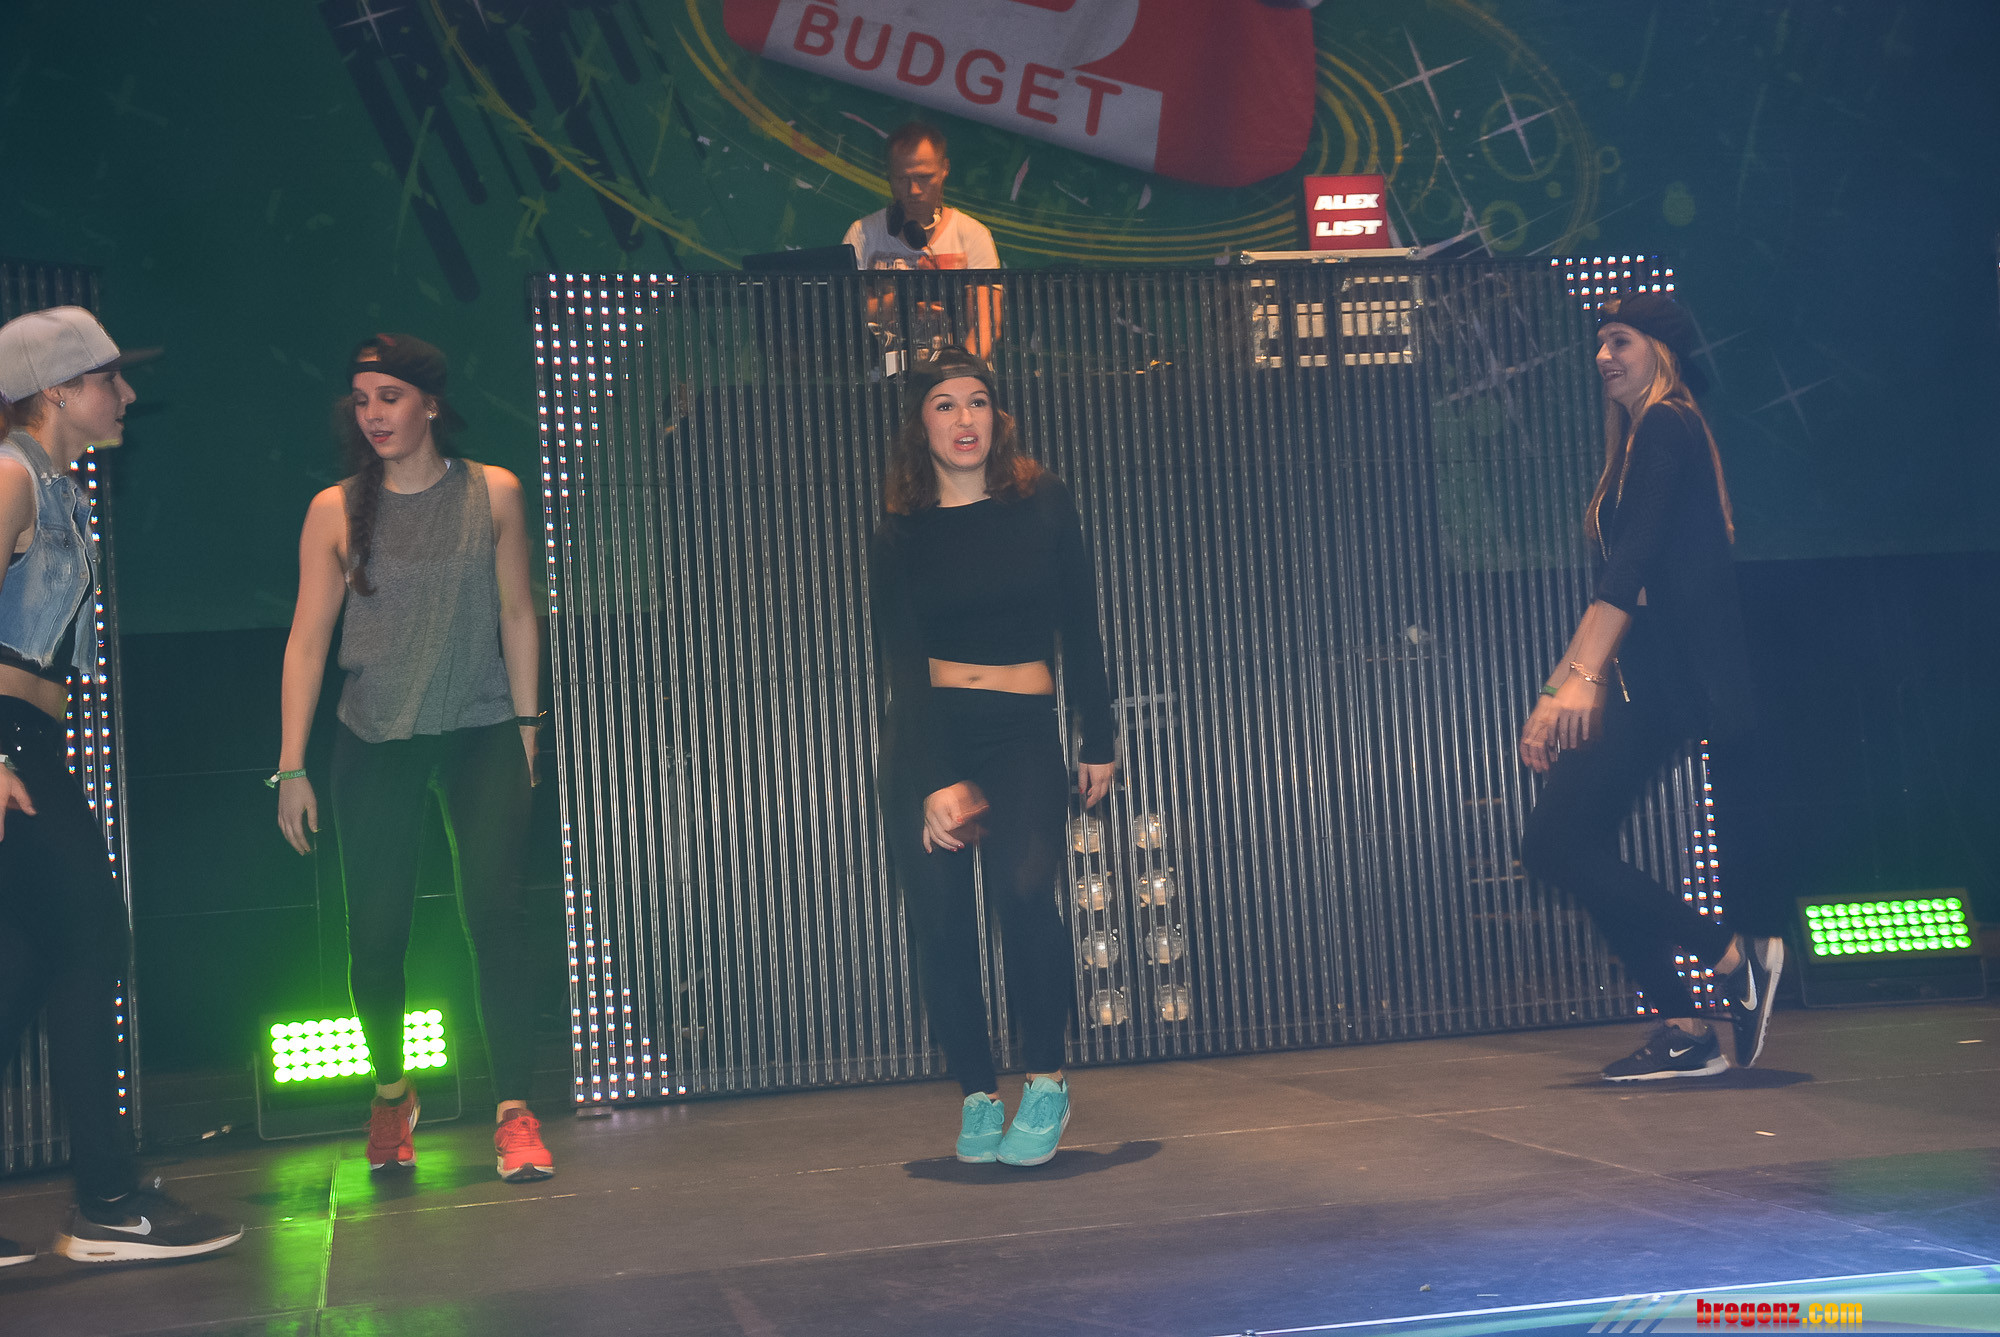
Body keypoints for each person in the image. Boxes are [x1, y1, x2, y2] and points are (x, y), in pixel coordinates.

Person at [275, 334, 554, 1181]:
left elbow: (517, 610)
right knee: (376, 935)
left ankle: (514, 1110)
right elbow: (307, 641)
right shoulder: (334, 509)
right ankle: (393, 1093)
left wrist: (527, 724)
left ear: (430, 403)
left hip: (480, 726)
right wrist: (291, 767)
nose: (374, 414)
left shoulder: (493, 492)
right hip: (374, 733)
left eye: (389, 397)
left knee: (496, 912)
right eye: (362, 400)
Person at [0, 307, 241, 1263]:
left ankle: (105, 1192)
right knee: (94, 936)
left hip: (30, 743)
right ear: (57, 390)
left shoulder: (58, 486)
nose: (128, 393)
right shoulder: (12, 475)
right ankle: (105, 1198)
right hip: (9, 744)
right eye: (109, 377)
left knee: (27, 964)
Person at [1519, 292, 1785, 1082]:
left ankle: (1733, 956)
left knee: (1555, 844)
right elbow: (1615, 582)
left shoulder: (1668, 425)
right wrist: (1555, 692)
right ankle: (1685, 1027)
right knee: (1570, 847)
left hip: (1660, 679)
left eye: (1620, 341)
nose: (1603, 357)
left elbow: (1630, 572)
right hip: (1644, 675)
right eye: (1600, 343)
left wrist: (1583, 680)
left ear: (1660, 350)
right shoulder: (1639, 442)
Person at [869, 345, 1114, 1166]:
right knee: (940, 922)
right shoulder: (900, 529)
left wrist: (1099, 732)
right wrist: (935, 776)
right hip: (929, 734)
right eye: (944, 404)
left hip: (1020, 729)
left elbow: (1081, 618)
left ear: (996, 416)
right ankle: (978, 1092)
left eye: (976, 401)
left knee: (1024, 892)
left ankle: (1046, 1078)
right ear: (921, 426)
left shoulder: (1043, 500)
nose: (963, 417)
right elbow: (902, 660)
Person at [844, 122, 1002, 360]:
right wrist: (905, 302)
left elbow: (985, 328)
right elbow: (847, 317)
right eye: (902, 179)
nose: (914, 190)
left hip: (954, 374)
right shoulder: (862, 234)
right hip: (882, 373)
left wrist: (957, 374)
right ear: (889, 176)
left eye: (924, 177)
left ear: (945, 169)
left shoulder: (972, 234)